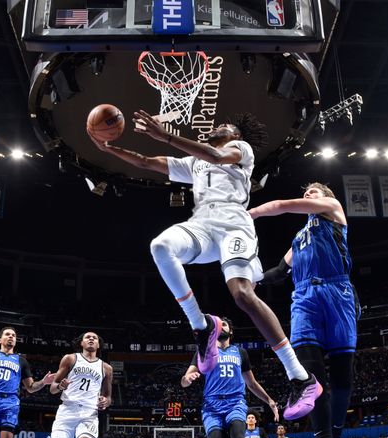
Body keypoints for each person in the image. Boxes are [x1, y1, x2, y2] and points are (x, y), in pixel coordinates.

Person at [89, 111, 321, 420]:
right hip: (203, 227)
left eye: (222, 125)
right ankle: (200, 326)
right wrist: (109, 149)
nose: (215, 127)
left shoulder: (241, 150)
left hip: (234, 227)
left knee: (241, 294)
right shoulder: (194, 164)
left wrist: (166, 136)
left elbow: (214, 154)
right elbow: (146, 162)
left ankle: (302, 377)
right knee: (160, 246)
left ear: (235, 134)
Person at [249, 182, 358, 438]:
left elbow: (283, 204)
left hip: (337, 292)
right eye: (306, 192)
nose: (309, 194)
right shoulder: (299, 239)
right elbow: (278, 273)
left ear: (328, 198)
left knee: (342, 379)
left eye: (314, 191)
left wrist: (252, 213)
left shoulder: (333, 212)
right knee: (313, 377)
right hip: (305, 299)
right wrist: (248, 278)